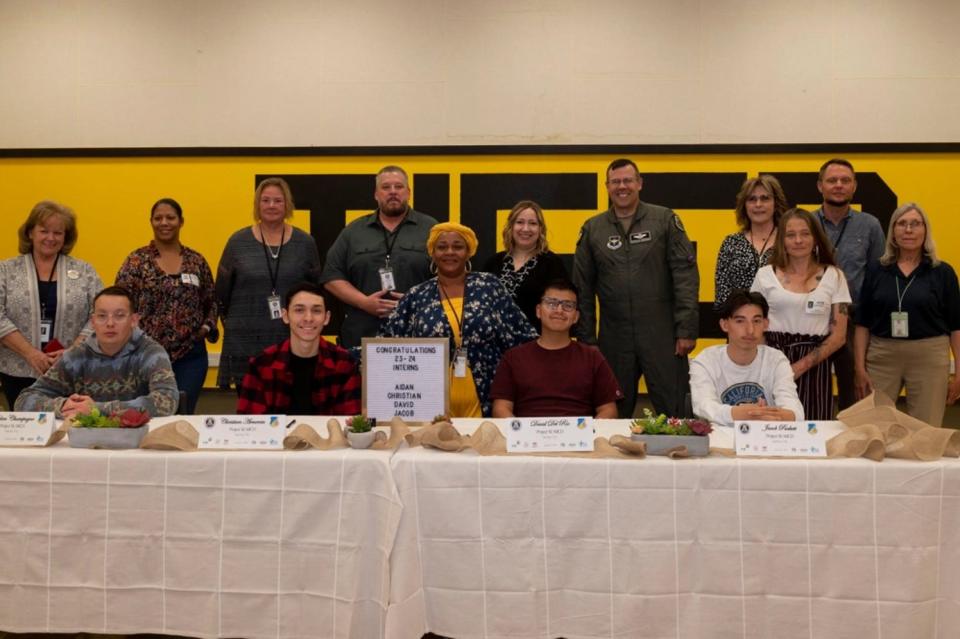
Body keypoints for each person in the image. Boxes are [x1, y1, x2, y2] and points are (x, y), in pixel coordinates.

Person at [572, 158, 700, 418]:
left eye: (628, 180)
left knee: (675, 410)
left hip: (662, 336)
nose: (622, 186)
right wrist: (586, 339)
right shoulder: (593, 229)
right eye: (616, 181)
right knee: (610, 411)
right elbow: (581, 288)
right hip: (613, 338)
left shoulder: (664, 219)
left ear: (640, 183)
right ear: (607, 186)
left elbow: (685, 276)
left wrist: (686, 328)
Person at [380, 222, 537, 417]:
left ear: (469, 252)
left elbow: (522, 337)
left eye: (458, 246)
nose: (450, 252)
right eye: (442, 247)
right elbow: (386, 348)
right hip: (428, 407)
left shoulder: (490, 286)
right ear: (432, 253)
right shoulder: (416, 295)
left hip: (489, 401)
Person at [854, 203, 960, 427]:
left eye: (915, 224)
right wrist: (859, 367)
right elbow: (862, 323)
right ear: (893, 231)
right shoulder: (876, 270)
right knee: (875, 427)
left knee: (925, 429)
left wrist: (959, 372)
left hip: (929, 357)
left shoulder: (943, 272)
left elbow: (955, 326)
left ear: (925, 230)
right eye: (902, 224)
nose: (908, 230)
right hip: (882, 355)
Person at [216, 177, 321, 389]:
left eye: (278, 200)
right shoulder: (237, 242)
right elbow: (221, 293)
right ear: (257, 205)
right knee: (251, 411)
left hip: (291, 338)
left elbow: (316, 290)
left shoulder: (305, 243)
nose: (271, 205)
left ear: (287, 205)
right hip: (244, 339)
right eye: (265, 200)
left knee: (290, 406)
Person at [115, 198, 218, 414]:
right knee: (145, 414)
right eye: (158, 218)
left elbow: (212, 301)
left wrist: (206, 329)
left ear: (181, 222)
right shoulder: (136, 261)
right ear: (151, 222)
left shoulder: (196, 261)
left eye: (170, 217)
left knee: (182, 413)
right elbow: (119, 303)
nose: (164, 222)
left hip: (190, 356)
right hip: (143, 355)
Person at [15, 286, 177, 418]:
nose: (110, 323)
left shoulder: (151, 353)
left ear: (134, 320)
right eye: (102, 316)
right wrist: (64, 406)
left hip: (138, 441)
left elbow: (167, 401)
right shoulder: (76, 356)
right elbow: (25, 400)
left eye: (119, 316)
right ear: (92, 322)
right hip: (86, 445)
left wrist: (98, 409)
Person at [321, 166, 438, 348]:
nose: (392, 192)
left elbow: (449, 277)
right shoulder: (354, 231)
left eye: (398, 187)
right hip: (363, 333)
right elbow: (331, 276)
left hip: (417, 333)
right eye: (386, 187)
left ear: (408, 192)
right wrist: (363, 302)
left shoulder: (432, 229)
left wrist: (416, 301)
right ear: (376, 194)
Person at [751, 208, 851, 420]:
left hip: (815, 365)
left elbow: (839, 335)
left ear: (815, 238)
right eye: (790, 234)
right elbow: (754, 324)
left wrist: (799, 366)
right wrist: (766, 365)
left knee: (813, 430)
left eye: (805, 233)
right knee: (769, 427)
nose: (798, 240)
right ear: (782, 241)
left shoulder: (834, 276)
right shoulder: (764, 275)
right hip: (771, 360)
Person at [0, 201, 102, 409]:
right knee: (24, 434)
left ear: (66, 237)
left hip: (71, 370)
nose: (50, 238)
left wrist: (72, 351)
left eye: (58, 233)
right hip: (17, 369)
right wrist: (31, 354)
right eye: (44, 231)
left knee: (68, 427)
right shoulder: (6, 270)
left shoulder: (84, 271)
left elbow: (100, 313)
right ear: (30, 233)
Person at [812, 159, 886, 411]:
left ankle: (852, 444)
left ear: (854, 186)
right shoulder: (805, 223)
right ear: (820, 186)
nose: (839, 186)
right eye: (832, 180)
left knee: (854, 393)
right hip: (812, 318)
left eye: (845, 180)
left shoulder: (870, 225)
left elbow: (879, 276)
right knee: (811, 387)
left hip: (855, 321)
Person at [490, 279, 621, 418]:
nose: (559, 310)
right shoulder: (513, 358)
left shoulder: (592, 358)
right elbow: (500, 409)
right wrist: (522, 435)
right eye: (551, 303)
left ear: (576, 316)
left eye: (568, 305)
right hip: (527, 437)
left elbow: (608, 410)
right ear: (538, 311)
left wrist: (590, 435)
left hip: (579, 437)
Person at [237, 282, 361, 415]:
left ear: (327, 318)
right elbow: (250, 427)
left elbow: (349, 425)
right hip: (276, 437)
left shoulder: (345, 364)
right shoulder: (261, 365)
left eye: (316, 310)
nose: (308, 318)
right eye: (299, 310)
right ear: (285, 316)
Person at [691, 290, 803, 428]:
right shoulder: (705, 361)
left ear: (766, 324)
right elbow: (703, 408)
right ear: (724, 325)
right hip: (721, 441)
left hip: (767, 439)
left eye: (756, 321)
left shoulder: (776, 359)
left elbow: (795, 412)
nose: (750, 330)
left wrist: (758, 414)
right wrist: (745, 413)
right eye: (740, 321)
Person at [481, 200, 568, 332]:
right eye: (520, 222)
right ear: (511, 226)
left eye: (532, 223)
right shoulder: (493, 263)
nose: (525, 229)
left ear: (540, 229)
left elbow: (560, 307)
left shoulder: (552, 264)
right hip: (495, 344)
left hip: (536, 343)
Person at [714, 174, 788, 310]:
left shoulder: (789, 242)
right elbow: (722, 297)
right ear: (744, 205)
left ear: (776, 203)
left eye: (765, 198)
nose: (758, 204)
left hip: (782, 324)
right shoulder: (731, 243)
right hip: (740, 325)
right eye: (752, 199)